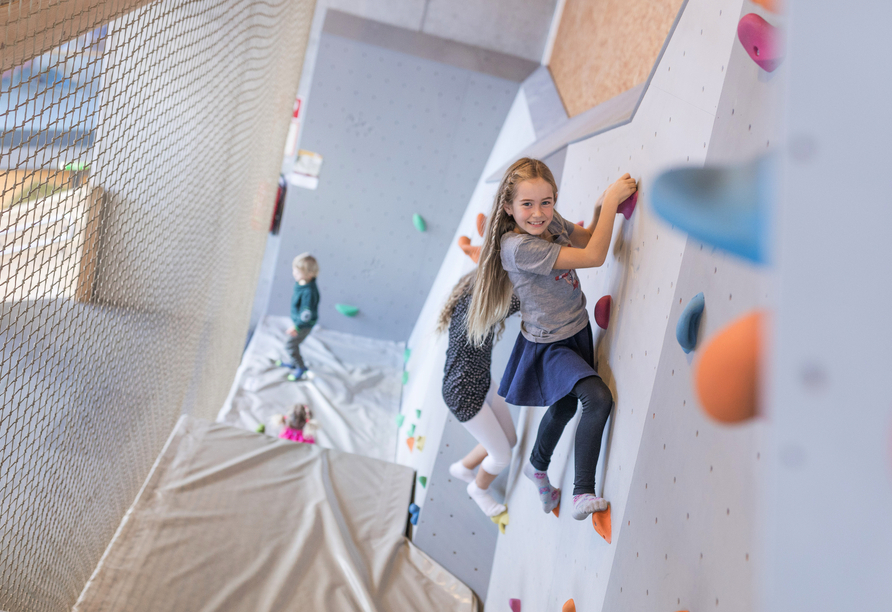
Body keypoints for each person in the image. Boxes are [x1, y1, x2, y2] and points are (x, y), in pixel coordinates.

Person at [466, 157, 636, 521]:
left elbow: (588, 238)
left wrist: (599, 208)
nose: (538, 213)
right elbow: (594, 256)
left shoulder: (547, 220)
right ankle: (582, 492)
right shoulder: (518, 246)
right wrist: (610, 205)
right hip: (549, 344)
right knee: (596, 398)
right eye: (527, 204)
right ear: (509, 208)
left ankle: (537, 468)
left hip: (575, 330)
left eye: (546, 201)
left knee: (564, 406)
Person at [438, 269, 520, 517]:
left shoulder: (473, 301)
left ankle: (463, 467)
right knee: (501, 456)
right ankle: (478, 489)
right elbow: (518, 300)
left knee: (511, 440)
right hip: (462, 394)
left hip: (480, 381)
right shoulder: (474, 309)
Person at [287, 253, 320, 380]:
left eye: (298, 271)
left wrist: (296, 326)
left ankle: (300, 367)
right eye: (294, 270)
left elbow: (306, 315)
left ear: (310, 274)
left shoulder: (309, 292)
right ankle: (294, 362)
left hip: (303, 325)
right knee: (291, 346)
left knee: (290, 345)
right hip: (298, 322)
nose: (294, 273)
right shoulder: (302, 283)